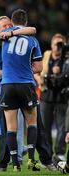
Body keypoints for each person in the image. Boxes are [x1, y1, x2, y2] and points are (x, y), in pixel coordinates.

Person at [0, 11, 56, 172]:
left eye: (9, 25)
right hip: (14, 85)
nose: (7, 28)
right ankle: (7, 162)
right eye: (4, 27)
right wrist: (13, 70)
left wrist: (12, 71)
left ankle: (42, 160)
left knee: (27, 127)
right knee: (9, 128)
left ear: (13, 24)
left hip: (9, 86)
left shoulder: (7, 40)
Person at [39, 33, 67, 161]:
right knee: (45, 126)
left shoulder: (67, 59)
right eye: (56, 44)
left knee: (62, 126)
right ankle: (48, 154)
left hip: (62, 96)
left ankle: (60, 153)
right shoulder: (46, 55)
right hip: (46, 94)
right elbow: (35, 71)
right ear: (51, 45)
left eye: (61, 44)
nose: (58, 47)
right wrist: (39, 78)